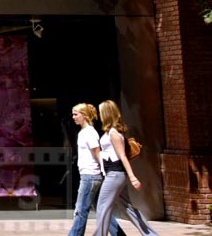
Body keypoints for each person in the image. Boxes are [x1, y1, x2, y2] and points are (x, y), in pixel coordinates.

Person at [91, 100, 159, 236]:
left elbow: (122, 156)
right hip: (114, 174)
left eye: (100, 112)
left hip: (115, 174)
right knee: (127, 208)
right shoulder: (109, 132)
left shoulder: (113, 133)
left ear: (107, 113)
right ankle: (151, 234)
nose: (99, 114)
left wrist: (133, 177)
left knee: (102, 207)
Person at [67, 103, 126, 236]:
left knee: (81, 210)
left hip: (90, 176)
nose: (73, 117)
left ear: (85, 115)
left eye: (76, 114)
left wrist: (105, 173)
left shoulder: (90, 133)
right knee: (103, 210)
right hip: (90, 176)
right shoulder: (84, 132)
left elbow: (98, 154)